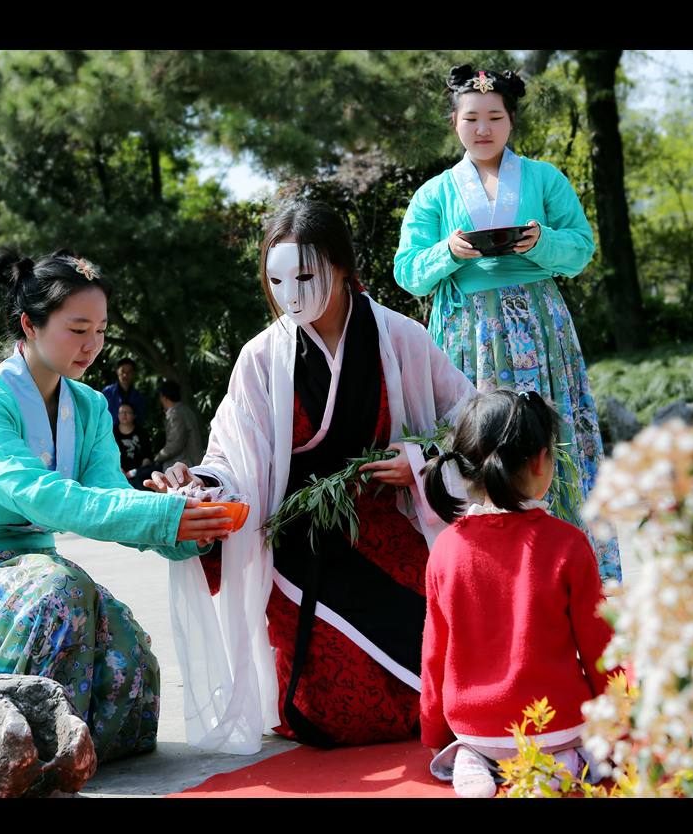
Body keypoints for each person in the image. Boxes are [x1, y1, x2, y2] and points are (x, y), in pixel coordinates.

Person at [145, 200, 475, 754]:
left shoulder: (401, 337)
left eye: (305, 277)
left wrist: (422, 461)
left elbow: (469, 418)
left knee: (439, 668)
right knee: (339, 715)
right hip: (299, 539)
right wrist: (197, 484)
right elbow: (232, 457)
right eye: (277, 281)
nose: (291, 295)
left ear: (342, 267)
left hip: (387, 521)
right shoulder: (260, 358)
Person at [0, 247, 233, 763]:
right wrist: (161, 518)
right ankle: (26, 749)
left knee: (128, 652)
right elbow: (44, 497)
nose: (92, 345)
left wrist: (185, 518)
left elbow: (109, 498)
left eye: (100, 331)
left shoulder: (89, 405)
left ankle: (67, 750)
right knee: (63, 591)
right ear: (30, 324)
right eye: (78, 329)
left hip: (39, 577)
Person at [393, 64, 621, 582]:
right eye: (471, 118)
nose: (483, 128)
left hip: (539, 325)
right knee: (476, 439)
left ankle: (566, 566)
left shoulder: (545, 178)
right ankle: (481, 571)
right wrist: (449, 251)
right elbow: (408, 271)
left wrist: (541, 242)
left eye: (495, 117)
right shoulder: (434, 193)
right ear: (454, 122)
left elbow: (581, 249)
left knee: (549, 434)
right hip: (467, 330)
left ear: (511, 121)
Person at [420, 388, 618, 797]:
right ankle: (558, 765)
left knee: (475, 745)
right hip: (555, 724)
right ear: (541, 461)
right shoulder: (567, 543)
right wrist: (619, 719)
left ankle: (471, 758)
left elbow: (435, 653)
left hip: (475, 726)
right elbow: (599, 647)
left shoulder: (446, 548)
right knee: (583, 752)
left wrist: (434, 730)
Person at [152, 380, 204, 471]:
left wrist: (157, 458)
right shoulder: (186, 410)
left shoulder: (176, 415)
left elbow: (175, 445)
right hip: (192, 463)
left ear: (164, 398)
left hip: (185, 465)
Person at [114, 402, 156, 490]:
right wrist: (118, 468)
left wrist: (136, 471)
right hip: (117, 470)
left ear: (134, 415)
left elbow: (147, 456)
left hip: (139, 472)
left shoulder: (141, 432)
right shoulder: (112, 432)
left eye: (128, 412)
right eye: (121, 412)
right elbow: (109, 454)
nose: (124, 415)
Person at [102, 357, 147, 427]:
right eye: (122, 371)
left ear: (133, 373)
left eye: (129, 372)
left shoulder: (139, 396)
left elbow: (141, 420)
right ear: (117, 371)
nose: (125, 375)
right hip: (110, 431)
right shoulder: (107, 392)